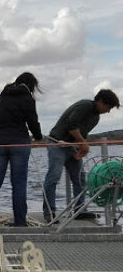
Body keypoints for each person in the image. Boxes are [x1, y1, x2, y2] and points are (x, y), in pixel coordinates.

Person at [43, 89, 120, 222]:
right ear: (100, 101)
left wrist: (81, 149)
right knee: (54, 177)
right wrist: (83, 143)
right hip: (57, 144)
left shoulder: (96, 117)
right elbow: (71, 126)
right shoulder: (85, 106)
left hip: (71, 147)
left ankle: (80, 210)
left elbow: (81, 135)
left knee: (80, 178)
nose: (108, 111)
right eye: (108, 107)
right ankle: (49, 212)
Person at [0, 72, 43, 226]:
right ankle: (20, 223)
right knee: (19, 183)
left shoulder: (1, 97)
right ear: (31, 86)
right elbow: (33, 122)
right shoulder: (27, 98)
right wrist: (38, 136)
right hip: (19, 143)